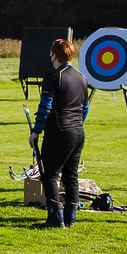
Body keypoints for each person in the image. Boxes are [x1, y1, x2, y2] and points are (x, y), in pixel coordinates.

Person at [28, 38, 89, 229]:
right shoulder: (81, 77)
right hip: (78, 132)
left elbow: (45, 106)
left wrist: (36, 131)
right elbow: (84, 108)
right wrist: (76, 124)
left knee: (49, 174)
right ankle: (70, 217)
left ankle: (55, 218)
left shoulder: (53, 76)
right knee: (71, 175)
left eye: (51, 54)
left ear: (55, 55)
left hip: (60, 132)